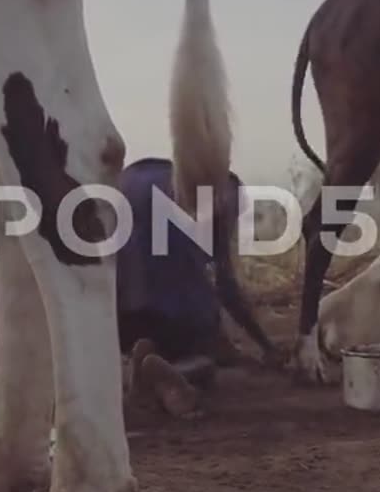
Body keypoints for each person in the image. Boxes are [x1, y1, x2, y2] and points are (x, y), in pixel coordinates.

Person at [115, 157, 274, 418]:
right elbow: (226, 286)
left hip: (119, 319)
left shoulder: (133, 176)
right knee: (208, 362)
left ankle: (136, 357)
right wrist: (266, 345)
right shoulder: (221, 193)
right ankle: (176, 371)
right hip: (172, 321)